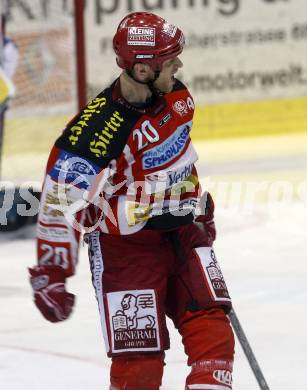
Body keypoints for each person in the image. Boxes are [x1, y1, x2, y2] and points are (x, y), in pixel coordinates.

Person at [29, 12, 235, 390]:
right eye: (170, 60)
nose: (179, 65)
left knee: (213, 333)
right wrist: (52, 272)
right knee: (139, 366)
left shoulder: (176, 97)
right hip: (125, 250)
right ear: (142, 70)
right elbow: (60, 200)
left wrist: (197, 205)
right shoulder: (93, 134)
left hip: (184, 235)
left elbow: (181, 157)